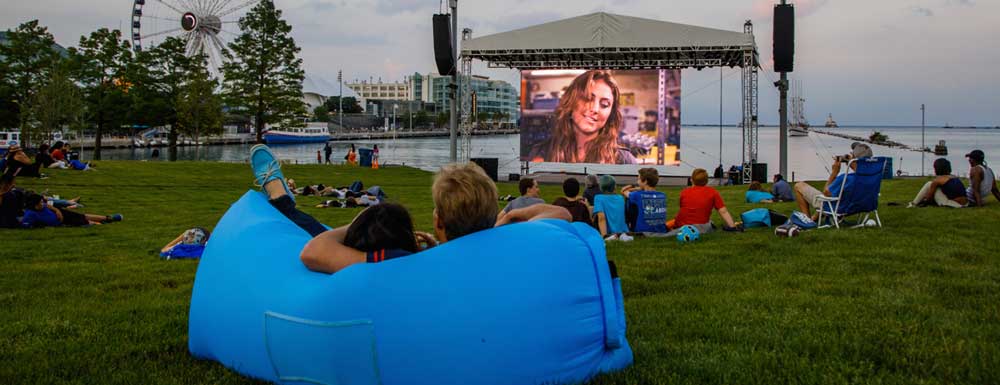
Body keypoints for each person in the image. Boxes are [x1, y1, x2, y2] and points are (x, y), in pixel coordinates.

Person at [249, 145, 570, 274]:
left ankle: (281, 199)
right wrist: (510, 217)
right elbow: (561, 215)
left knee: (318, 231)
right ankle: (281, 199)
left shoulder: (408, 263)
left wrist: (362, 219)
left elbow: (313, 252)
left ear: (438, 221)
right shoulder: (510, 245)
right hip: (490, 230)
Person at [528, 70, 636, 164]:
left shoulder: (624, 160)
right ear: (571, 101)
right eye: (588, 98)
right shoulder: (541, 153)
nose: (595, 109)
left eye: (604, 105)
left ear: (611, 115)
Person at [793, 142, 873, 219]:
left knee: (799, 186)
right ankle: (814, 218)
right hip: (858, 207)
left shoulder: (846, 178)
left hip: (837, 208)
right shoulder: (871, 177)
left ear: (854, 160)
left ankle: (807, 220)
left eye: (851, 156)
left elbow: (826, 194)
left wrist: (834, 173)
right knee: (835, 195)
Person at [668, 168, 741, 231]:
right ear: (706, 180)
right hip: (701, 226)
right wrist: (732, 226)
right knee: (710, 223)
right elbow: (723, 211)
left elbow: (683, 208)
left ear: (691, 180)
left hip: (681, 225)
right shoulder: (712, 192)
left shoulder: (684, 192)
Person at [21, 192, 122, 228]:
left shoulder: (42, 206)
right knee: (83, 221)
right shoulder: (30, 214)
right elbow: (25, 225)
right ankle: (99, 222)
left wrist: (57, 211)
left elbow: (48, 205)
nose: (42, 204)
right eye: (40, 203)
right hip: (61, 222)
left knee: (82, 216)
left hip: (61, 215)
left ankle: (107, 218)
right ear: (34, 205)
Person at [620, 168, 667, 233]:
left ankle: (629, 225)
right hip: (661, 230)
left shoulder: (637, 195)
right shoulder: (662, 195)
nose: (637, 181)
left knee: (629, 200)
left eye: (638, 179)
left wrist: (634, 187)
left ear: (645, 181)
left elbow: (623, 191)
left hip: (643, 231)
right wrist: (642, 187)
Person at [592, 175, 630, 240]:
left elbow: (601, 217)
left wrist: (604, 236)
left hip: (609, 233)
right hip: (623, 231)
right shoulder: (620, 198)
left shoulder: (598, 198)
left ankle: (609, 237)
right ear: (614, 187)